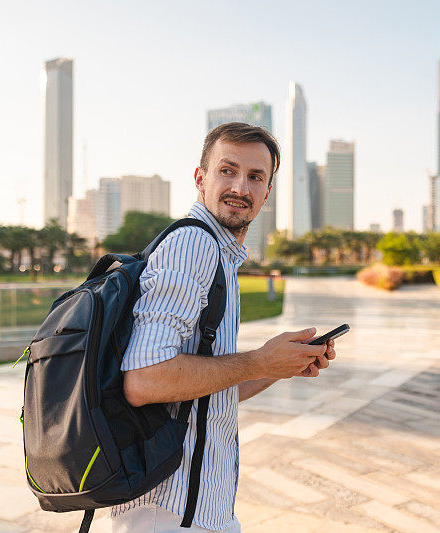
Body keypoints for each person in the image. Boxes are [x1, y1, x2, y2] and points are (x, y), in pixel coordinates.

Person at [111, 122, 336, 532]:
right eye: (227, 170)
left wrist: (274, 366)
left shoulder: (220, 255)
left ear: (267, 193)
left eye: (255, 177)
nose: (241, 187)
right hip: (170, 512)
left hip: (202, 510)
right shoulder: (193, 244)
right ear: (201, 179)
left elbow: (205, 392)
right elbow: (143, 380)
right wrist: (257, 359)